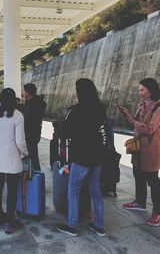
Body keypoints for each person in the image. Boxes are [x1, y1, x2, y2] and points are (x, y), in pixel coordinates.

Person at [56, 78, 106, 237]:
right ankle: (99, 226)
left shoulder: (75, 111)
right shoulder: (100, 108)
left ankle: (72, 225)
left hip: (81, 157)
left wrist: (60, 126)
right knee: (96, 191)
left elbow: (64, 134)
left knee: (73, 190)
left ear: (79, 92)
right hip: (97, 156)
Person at [117, 78, 160, 227]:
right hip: (138, 147)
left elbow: (150, 128)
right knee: (138, 174)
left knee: (153, 180)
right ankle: (140, 202)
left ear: (150, 91)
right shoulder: (142, 104)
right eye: (139, 90)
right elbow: (137, 124)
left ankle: (158, 213)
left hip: (151, 149)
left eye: (142, 90)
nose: (139, 93)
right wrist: (127, 115)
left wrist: (132, 121)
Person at [0, 88, 28, 234]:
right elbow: (20, 141)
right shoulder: (18, 116)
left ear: (0, 98)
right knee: (11, 190)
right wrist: (25, 154)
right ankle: (9, 221)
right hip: (10, 158)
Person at [22, 83, 46, 171]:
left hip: (30, 135)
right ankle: (35, 176)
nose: (23, 93)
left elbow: (29, 120)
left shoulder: (33, 105)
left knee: (33, 158)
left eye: (24, 91)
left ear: (28, 93)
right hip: (33, 134)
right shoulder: (35, 103)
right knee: (33, 157)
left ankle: (36, 178)